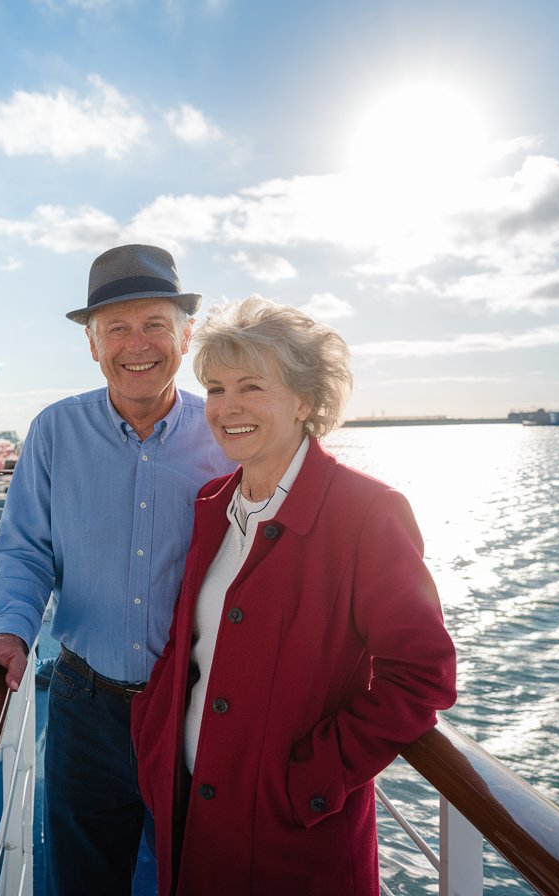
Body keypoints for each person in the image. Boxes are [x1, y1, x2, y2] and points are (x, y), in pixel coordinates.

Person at [131, 296, 457, 895]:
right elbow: (190, 644)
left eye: (251, 387)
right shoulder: (211, 507)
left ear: (306, 401)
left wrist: (309, 780)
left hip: (295, 841)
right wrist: (155, 738)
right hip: (192, 819)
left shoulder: (367, 514)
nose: (228, 408)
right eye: (217, 388)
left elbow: (421, 675)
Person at [0, 244, 234, 895]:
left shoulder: (222, 434)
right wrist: (11, 630)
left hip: (192, 708)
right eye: (117, 328)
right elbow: (24, 551)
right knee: (80, 879)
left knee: (188, 878)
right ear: (91, 342)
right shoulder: (53, 432)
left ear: (186, 333)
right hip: (83, 703)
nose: (138, 344)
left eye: (155, 324)